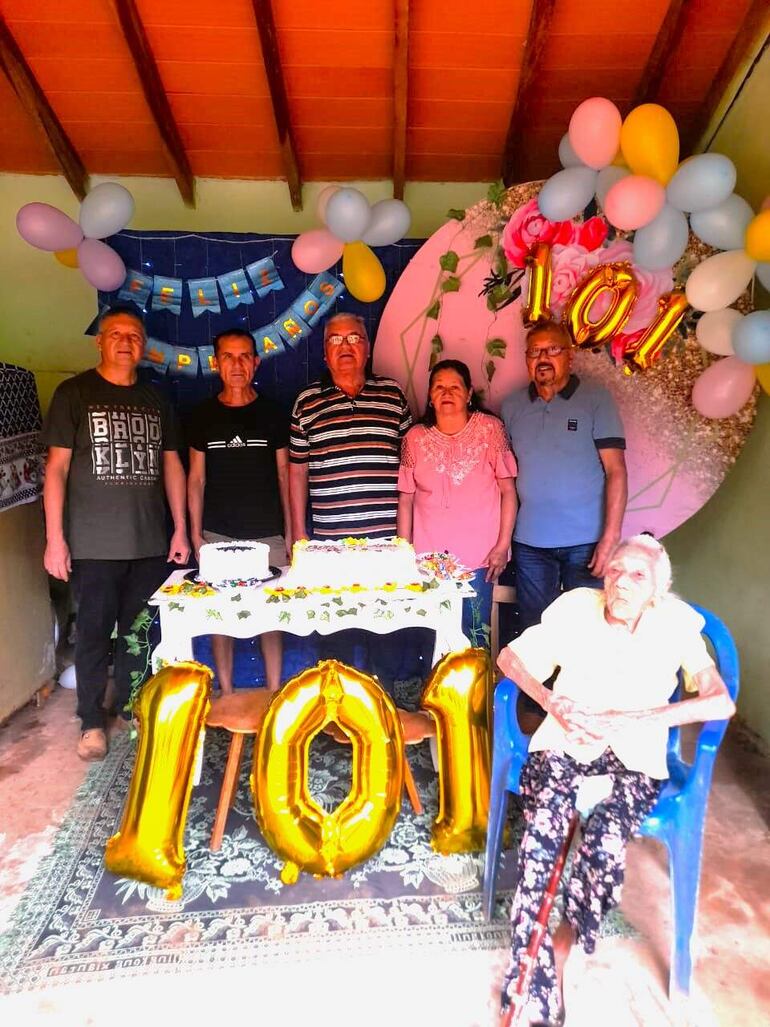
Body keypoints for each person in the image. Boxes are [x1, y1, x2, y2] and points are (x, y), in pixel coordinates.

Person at [495, 534, 735, 1026]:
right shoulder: (574, 608)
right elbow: (509, 659)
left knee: (603, 847)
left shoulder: (676, 625)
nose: (622, 584)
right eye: (616, 571)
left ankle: (560, 945)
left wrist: (643, 718)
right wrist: (548, 699)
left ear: (657, 589)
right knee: (541, 840)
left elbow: (719, 701)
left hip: (634, 758)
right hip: (563, 745)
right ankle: (531, 975)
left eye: (637, 576)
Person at [41, 304, 189, 761]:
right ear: (100, 342)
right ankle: (90, 720)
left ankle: (128, 708)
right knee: (92, 634)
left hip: (148, 543)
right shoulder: (74, 393)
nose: (126, 342)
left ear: (143, 347)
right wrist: (55, 539)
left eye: (135, 336)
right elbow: (56, 470)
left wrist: (180, 529)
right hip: (92, 544)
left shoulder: (156, 401)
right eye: (116, 334)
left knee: (138, 634)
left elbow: (172, 467)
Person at [289, 312, 412, 688]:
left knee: (386, 627)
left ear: (368, 347)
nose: (345, 347)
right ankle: (337, 707)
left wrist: (406, 539)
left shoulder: (392, 396)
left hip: (385, 542)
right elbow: (296, 473)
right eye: (336, 340)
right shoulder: (307, 402)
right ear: (324, 353)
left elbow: (410, 465)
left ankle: (383, 703)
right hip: (330, 542)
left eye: (354, 338)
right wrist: (298, 533)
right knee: (334, 628)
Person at [501, 320, 627, 636]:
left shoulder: (596, 399)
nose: (543, 358)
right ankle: (538, 689)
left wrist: (610, 539)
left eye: (552, 349)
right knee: (536, 633)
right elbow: (504, 478)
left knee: (588, 631)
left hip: (586, 542)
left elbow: (616, 471)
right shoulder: (512, 406)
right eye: (534, 351)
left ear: (569, 356)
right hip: (530, 542)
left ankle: (578, 688)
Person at [187, 328, 291, 694]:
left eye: (244, 356)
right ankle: (228, 693)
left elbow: (283, 475)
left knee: (270, 616)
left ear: (256, 363)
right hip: (218, 534)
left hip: (268, 532)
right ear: (216, 363)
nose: (236, 364)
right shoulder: (202, 416)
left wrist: (291, 532)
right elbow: (196, 479)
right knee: (221, 617)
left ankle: (276, 694)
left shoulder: (273, 413)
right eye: (228, 357)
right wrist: (195, 533)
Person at [397, 359, 518, 647]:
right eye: (439, 387)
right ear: (429, 395)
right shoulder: (414, 438)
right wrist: (403, 555)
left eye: (454, 387)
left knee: (476, 635)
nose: (446, 393)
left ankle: (476, 693)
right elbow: (405, 500)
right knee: (433, 638)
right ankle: (434, 692)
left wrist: (502, 547)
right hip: (428, 563)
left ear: (468, 393)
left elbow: (509, 492)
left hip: (480, 559)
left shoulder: (491, 430)